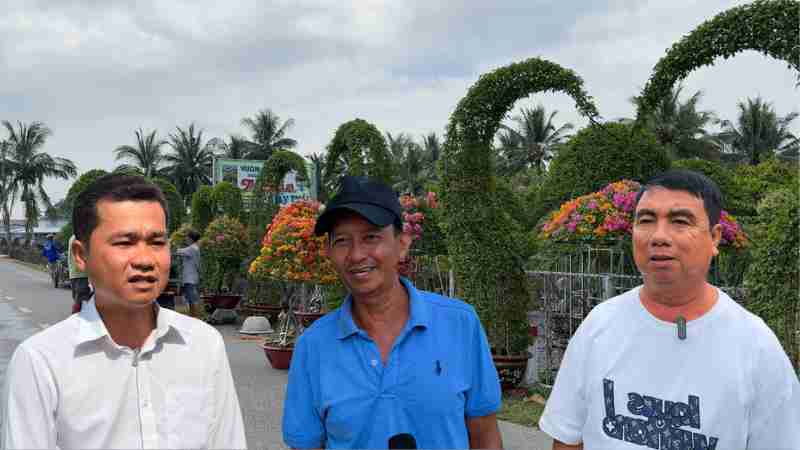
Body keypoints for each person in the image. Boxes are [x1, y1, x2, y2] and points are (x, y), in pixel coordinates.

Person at [539, 170, 800, 450]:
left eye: (680, 221)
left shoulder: (756, 347)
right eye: (646, 220)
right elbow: (568, 437)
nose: (659, 236)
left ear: (714, 238)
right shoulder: (599, 326)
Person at [0, 174, 247, 449]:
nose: (144, 259)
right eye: (124, 242)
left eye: (156, 242)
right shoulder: (41, 362)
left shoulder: (203, 344)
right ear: (81, 255)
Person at [282, 176, 503, 449]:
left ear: (402, 243)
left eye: (371, 237)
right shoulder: (313, 346)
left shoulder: (460, 324)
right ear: (329, 252)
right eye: (342, 241)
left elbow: (484, 436)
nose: (356, 255)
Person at [175, 230, 202, 318]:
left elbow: (178, 251)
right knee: (191, 300)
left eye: (187, 237)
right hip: (191, 278)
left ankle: (196, 319)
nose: (185, 239)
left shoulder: (192, 249)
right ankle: (193, 318)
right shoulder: (194, 248)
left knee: (193, 300)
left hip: (190, 279)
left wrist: (173, 242)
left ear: (190, 238)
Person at [68, 234, 92, 314]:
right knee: (81, 300)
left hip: (75, 274)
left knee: (79, 299)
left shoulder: (73, 237)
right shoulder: (79, 238)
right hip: (80, 273)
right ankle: (75, 319)